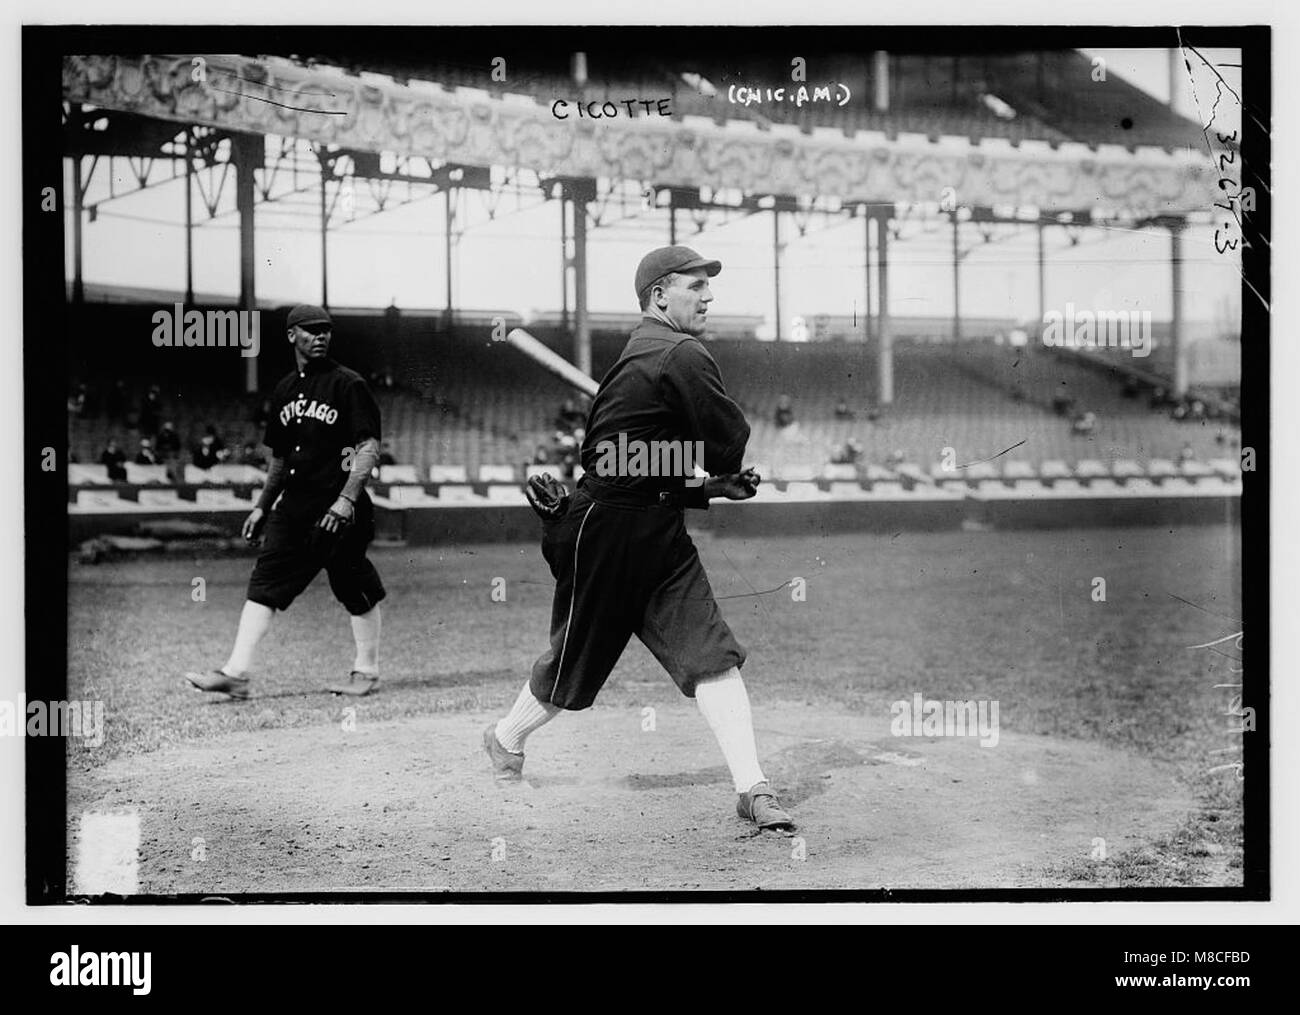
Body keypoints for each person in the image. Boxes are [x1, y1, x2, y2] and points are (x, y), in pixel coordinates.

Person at [483, 245, 795, 832]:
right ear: (659, 296)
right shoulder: (680, 352)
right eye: (695, 286)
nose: (708, 296)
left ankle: (751, 786)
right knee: (575, 666)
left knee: (711, 656)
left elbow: (643, 458)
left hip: (656, 529)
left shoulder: (648, 349)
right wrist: (716, 465)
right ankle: (504, 738)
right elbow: (728, 442)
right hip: (606, 531)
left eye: (709, 286)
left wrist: (707, 489)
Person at [185, 304, 387, 700]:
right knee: (264, 583)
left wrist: (346, 500)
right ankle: (237, 673)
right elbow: (279, 458)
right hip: (293, 506)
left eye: (326, 330)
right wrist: (262, 505)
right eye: (311, 330)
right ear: (291, 335)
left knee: (352, 585)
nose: (321, 336)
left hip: (337, 508)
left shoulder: (348, 384)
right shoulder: (285, 389)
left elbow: (369, 447)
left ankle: (367, 670)